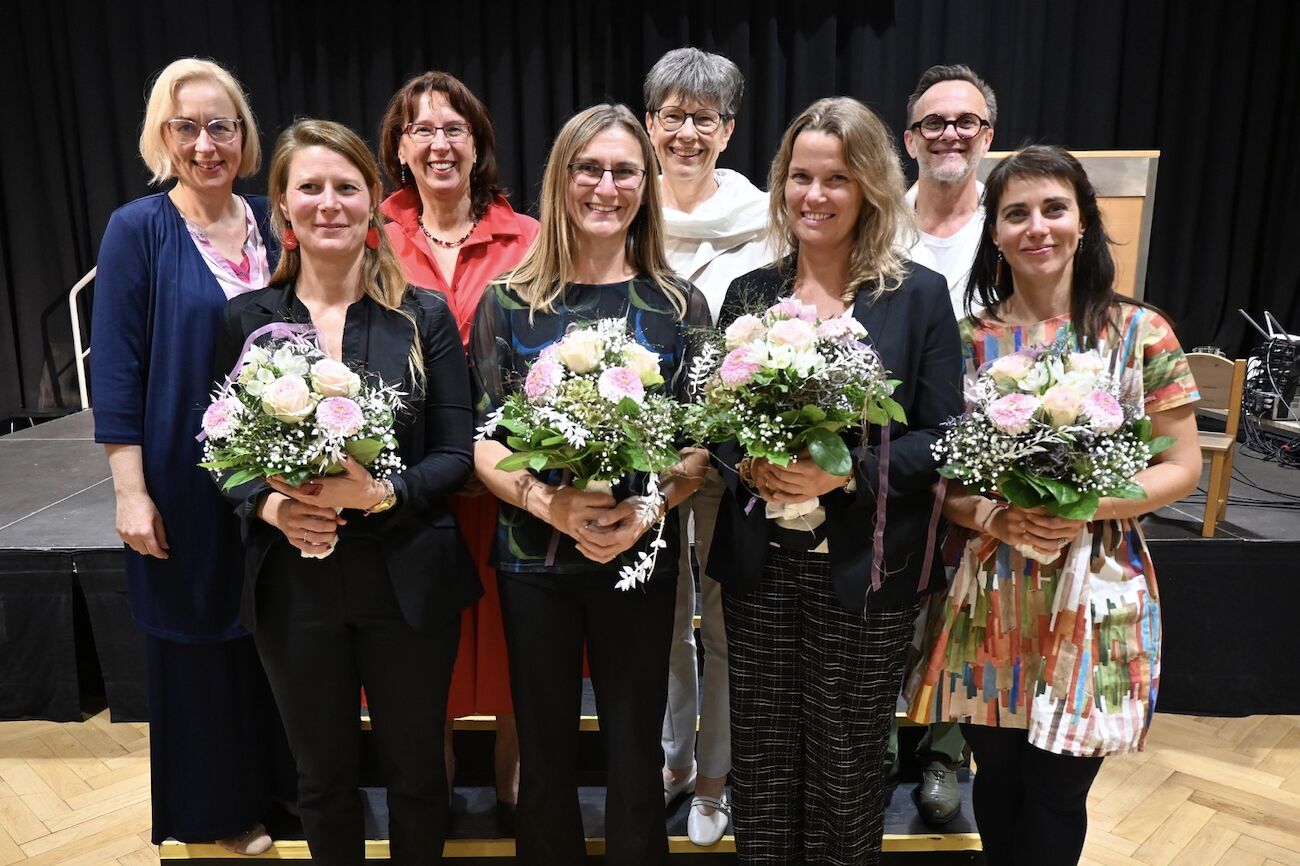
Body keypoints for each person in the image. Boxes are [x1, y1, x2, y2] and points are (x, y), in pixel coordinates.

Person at [904, 146, 1201, 866]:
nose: (1037, 227)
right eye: (1016, 214)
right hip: (991, 596)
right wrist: (994, 517)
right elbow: (941, 478)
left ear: (1083, 221)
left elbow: (1183, 465)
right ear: (995, 233)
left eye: (1054, 209)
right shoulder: (969, 340)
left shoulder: (1141, 332)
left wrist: (1089, 504)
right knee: (999, 779)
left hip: (1096, 592)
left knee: (1061, 789)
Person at [216, 119, 480, 866]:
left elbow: (456, 455)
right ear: (283, 208)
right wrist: (274, 507)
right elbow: (216, 458)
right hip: (292, 587)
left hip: (408, 582)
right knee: (322, 778)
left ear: (373, 204)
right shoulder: (247, 319)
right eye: (310, 187)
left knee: (418, 775)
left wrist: (382, 495)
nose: (328, 202)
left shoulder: (420, 316)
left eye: (346, 187)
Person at [708, 97, 962, 865]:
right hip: (759, 566)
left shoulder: (915, 295)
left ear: (872, 189)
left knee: (847, 763)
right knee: (760, 759)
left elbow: (944, 436)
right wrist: (746, 462)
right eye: (800, 176)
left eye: (838, 179)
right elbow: (715, 424)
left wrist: (846, 476)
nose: (814, 196)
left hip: (868, 565)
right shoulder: (749, 296)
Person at [469, 103, 711, 866]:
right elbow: (483, 442)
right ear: (562, 177)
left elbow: (701, 445)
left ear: (646, 183)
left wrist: (648, 508)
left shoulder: (678, 305)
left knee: (637, 755)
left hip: (641, 557)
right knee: (543, 756)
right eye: (590, 168)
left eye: (624, 171)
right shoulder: (509, 302)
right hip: (531, 560)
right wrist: (550, 504)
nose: (606, 186)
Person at [90, 57, 292, 855]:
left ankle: (280, 789)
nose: (206, 143)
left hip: (276, 475)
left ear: (244, 136)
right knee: (199, 644)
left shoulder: (273, 219)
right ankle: (214, 813)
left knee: (273, 636)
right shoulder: (137, 230)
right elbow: (117, 369)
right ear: (162, 137)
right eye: (188, 127)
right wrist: (129, 491)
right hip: (182, 478)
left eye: (222, 126)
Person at [377, 69, 539, 821]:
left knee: (517, 638)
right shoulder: (371, 235)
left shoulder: (531, 239)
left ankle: (515, 776)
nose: (439, 144)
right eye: (422, 130)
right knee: (419, 640)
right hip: (413, 485)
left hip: (512, 482)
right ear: (399, 148)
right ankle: (431, 778)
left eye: (454, 129)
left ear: (478, 145)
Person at [642, 46, 772, 846]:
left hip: (726, 465)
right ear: (650, 123)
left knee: (722, 625)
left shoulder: (763, 222)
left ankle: (717, 777)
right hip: (643, 460)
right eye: (672, 116)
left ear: (728, 130)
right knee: (657, 619)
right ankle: (670, 757)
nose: (687, 132)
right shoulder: (622, 203)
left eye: (704, 118)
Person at [891, 61, 999, 825]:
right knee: (888, 593)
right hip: (897, 438)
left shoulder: (1012, 223)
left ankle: (941, 751)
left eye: (965, 122)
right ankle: (873, 737)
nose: (949, 133)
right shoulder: (879, 222)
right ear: (909, 139)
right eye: (934, 122)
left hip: (989, 438)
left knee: (958, 606)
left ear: (988, 135)